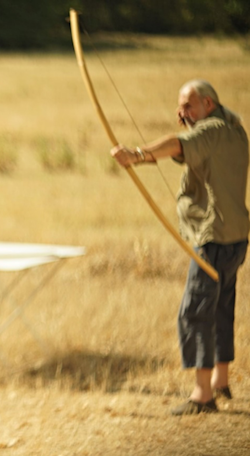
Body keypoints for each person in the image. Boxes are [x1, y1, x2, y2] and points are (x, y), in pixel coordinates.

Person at [111, 80, 249, 415]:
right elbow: (191, 148)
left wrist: (137, 155)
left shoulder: (211, 131)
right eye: (179, 106)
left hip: (213, 237)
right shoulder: (234, 130)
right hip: (236, 237)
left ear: (208, 103)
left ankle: (202, 396)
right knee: (220, 307)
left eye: (188, 106)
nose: (181, 112)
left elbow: (178, 144)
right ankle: (220, 379)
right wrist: (189, 125)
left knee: (196, 312)